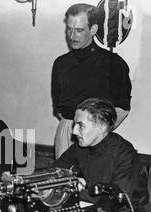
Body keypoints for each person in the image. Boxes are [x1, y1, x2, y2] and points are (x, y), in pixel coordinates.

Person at [51, 3, 132, 159]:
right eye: (69, 29)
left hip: (98, 137)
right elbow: (60, 109)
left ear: (93, 29)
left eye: (79, 30)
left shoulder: (113, 63)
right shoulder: (60, 63)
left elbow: (122, 108)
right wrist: (73, 129)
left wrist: (96, 133)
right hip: (67, 133)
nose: (72, 36)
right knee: (65, 182)